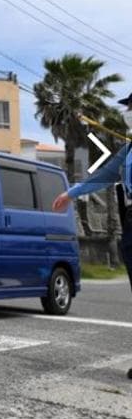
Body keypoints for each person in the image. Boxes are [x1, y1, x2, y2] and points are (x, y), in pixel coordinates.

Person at [52, 92, 132, 380]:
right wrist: (71, 193)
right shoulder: (128, 151)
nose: (129, 112)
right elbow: (103, 176)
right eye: (129, 108)